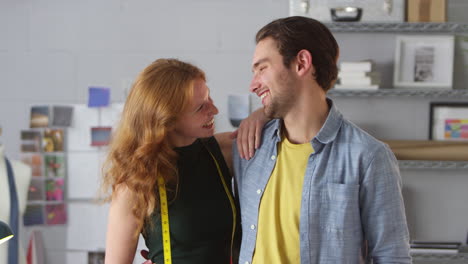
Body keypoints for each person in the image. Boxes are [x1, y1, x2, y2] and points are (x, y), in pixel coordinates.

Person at [233, 16, 412, 264]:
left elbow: (391, 256)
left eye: (262, 68)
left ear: (301, 63)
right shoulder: (249, 147)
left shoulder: (368, 156)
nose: (253, 85)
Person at [102, 58, 266, 264]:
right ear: (166, 119)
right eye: (200, 108)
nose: (214, 110)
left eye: (209, 98)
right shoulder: (135, 183)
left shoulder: (221, 152)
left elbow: (287, 122)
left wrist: (261, 114)